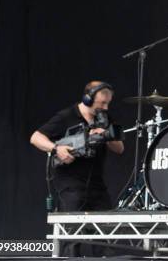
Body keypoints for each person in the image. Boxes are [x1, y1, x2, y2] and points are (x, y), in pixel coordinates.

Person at [30, 81, 124, 212]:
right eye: (102, 103)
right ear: (87, 99)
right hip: (70, 186)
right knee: (72, 228)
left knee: (106, 227)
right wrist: (56, 149)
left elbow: (120, 148)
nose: (106, 107)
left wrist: (106, 135)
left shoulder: (104, 118)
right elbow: (36, 137)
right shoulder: (66, 116)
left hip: (97, 186)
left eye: (108, 103)